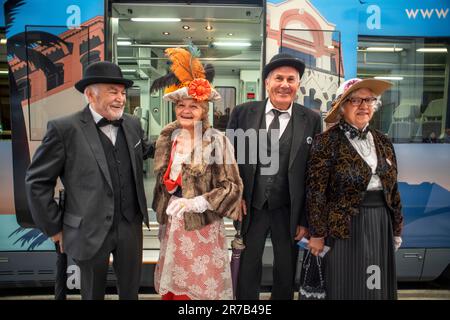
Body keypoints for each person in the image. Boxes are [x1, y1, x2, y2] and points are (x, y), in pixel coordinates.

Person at [25, 61, 153, 300]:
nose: (121, 99)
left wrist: (183, 134)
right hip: (88, 228)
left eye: (123, 93)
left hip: (130, 226)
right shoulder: (64, 129)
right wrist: (53, 227)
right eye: (112, 92)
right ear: (90, 95)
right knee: (92, 294)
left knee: (130, 293)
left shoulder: (133, 125)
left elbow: (146, 151)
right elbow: (37, 181)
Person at [150, 47, 243, 300]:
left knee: (200, 290)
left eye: (194, 106)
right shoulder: (168, 138)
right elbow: (163, 181)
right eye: (181, 105)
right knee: (174, 287)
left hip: (202, 229)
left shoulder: (216, 140)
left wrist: (198, 202)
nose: (186, 111)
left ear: (204, 111)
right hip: (173, 227)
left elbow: (232, 187)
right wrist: (167, 197)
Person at [227, 53, 322, 300]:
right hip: (251, 206)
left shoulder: (311, 119)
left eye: (291, 79)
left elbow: (314, 172)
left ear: (298, 84)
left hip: (289, 209)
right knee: (248, 266)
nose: (284, 84)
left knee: (286, 268)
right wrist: (234, 197)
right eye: (278, 78)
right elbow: (229, 159)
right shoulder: (242, 113)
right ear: (267, 82)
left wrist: (305, 218)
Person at [306, 78, 404, 300]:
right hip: (343, 227)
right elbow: (316, 192)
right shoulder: (325, 142)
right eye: (355, 100)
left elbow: (392, 189)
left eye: (369, 100)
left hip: (380, 222)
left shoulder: (383, 141)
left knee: (375, 284)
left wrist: (396, 228)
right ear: (342, 107)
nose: (364, 106)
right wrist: (317, 233)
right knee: (345, 282)